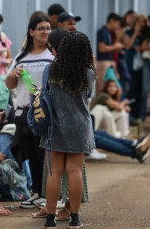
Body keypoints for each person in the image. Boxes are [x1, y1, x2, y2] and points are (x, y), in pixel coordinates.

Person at [41, 31, 95, 229]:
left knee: (54, 172)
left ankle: (49, 219)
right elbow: (89, 94)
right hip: (79, 126)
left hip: (55, 125)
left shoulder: (51, 69)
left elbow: (44, 92)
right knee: (75, 171)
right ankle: (75, 218)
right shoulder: (88, 73)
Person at [6, 15, 54, 209]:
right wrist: (13, 74)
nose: (45, 32)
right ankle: (36, 192)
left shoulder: (53, 55)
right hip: (24, 111)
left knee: (44, 153)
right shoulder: (20, 57)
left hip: (44, 111)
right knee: (31, 153)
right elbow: (10, 84)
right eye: (41, 28)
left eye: (48, 28)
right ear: (31, 32)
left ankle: (47, 194)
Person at [123, 14, 149, 124]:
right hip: (130, 64)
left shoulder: (145, 34)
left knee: (140, 89)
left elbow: (145, 46)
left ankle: (139, 113)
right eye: (139, 22)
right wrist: (135, 33)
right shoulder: (128, 33)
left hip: (142, 65)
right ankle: (130, 113)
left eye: (143, 22)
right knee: (131, 89)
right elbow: (128, 46)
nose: (141, 25)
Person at [96, 13, 124, 94]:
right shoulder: (102, 31)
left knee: (116, 89)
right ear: (112, 21)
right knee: (103, 88)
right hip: (103, 63)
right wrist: (116, 47)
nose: (118, 27)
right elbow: (102, 48)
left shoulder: (109, 33)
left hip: (110, 64)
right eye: (118, 24)